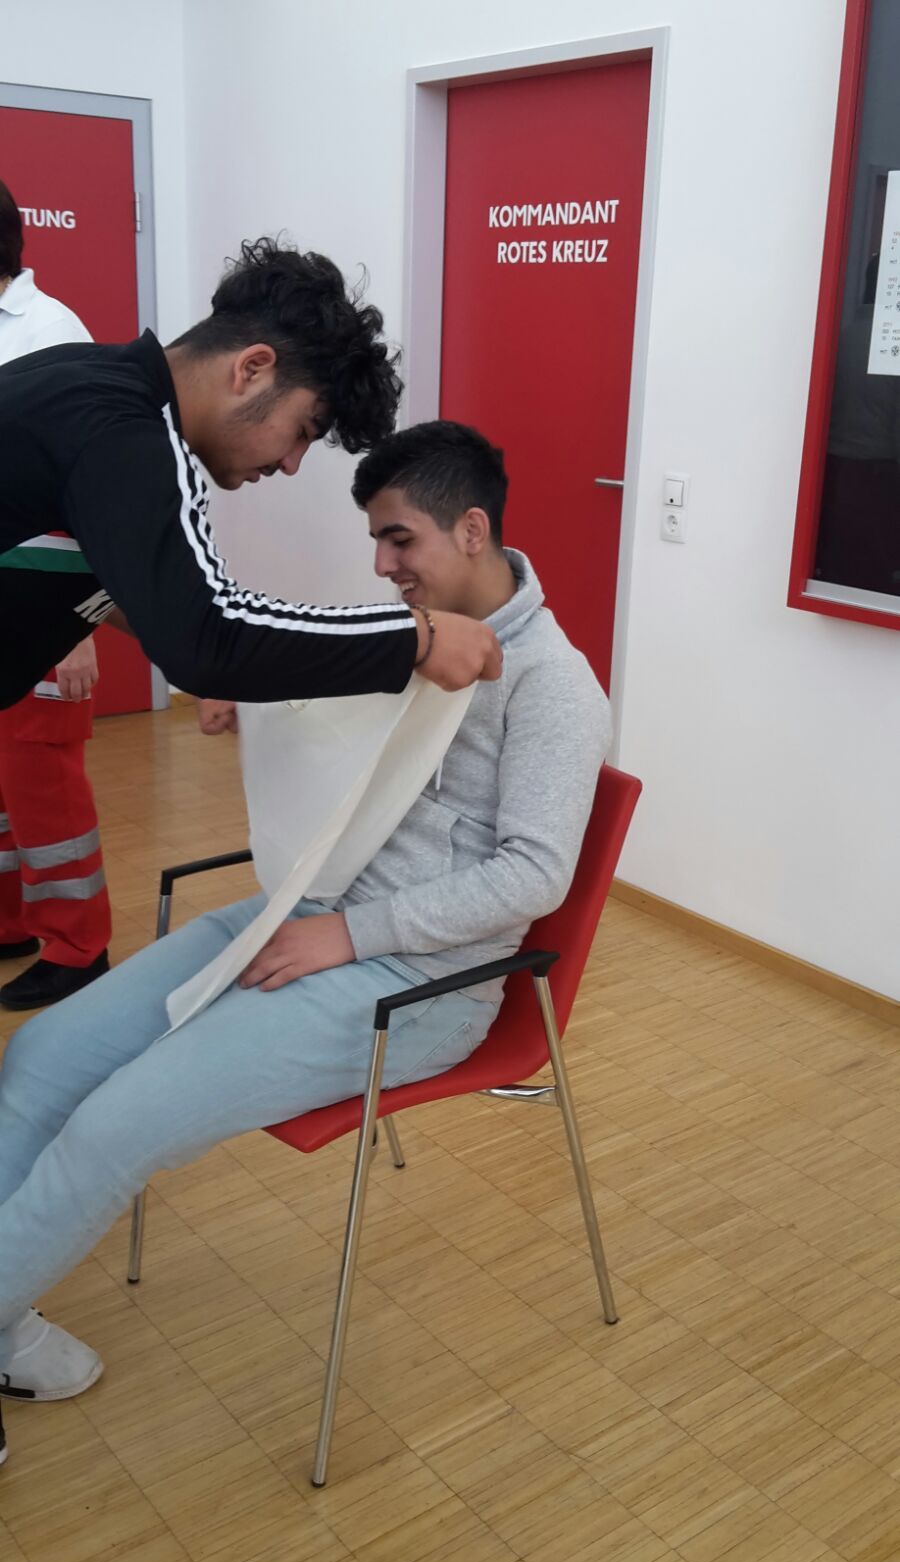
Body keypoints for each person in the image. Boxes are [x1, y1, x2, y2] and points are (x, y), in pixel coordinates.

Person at [0, 421, 610, 1465]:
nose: (382, 566)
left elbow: (533, 878)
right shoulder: (416, 633)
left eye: (400, 540)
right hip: (300, 917)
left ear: (471, 530)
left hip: (417, 983)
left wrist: (349, 934)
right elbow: (342, 735)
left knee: (114, 1124)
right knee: (43, 1055)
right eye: (376, 541)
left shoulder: (554, 684)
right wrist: (258, 709)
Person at [0, 235, 500, 716]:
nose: (291, 463)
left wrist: (209, 647)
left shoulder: (89, 383)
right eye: (303, 430)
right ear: (253, 368)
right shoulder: (127, 436)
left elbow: (150, 595)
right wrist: (417, 636)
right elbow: (210, 641)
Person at [0, 179, 111, 1010]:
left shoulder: (51, 332)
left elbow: (92, 493)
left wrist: (80, 630)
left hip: (46, 604)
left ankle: (78, 948)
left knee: (44, 781)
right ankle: (11, 920)